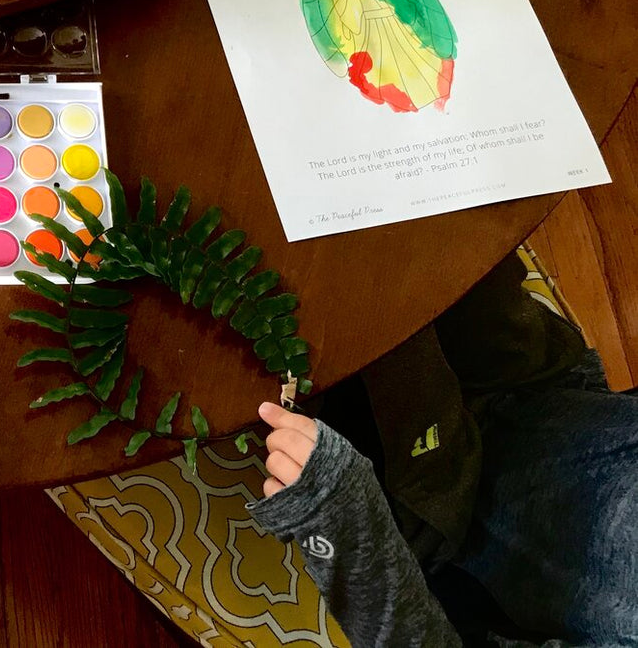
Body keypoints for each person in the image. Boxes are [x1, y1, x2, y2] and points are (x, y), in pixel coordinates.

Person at [250, 253, 638, 647]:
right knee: (410, 244)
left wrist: (347, 530)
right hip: (533, 387)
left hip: (436, 520)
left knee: (315, 307)